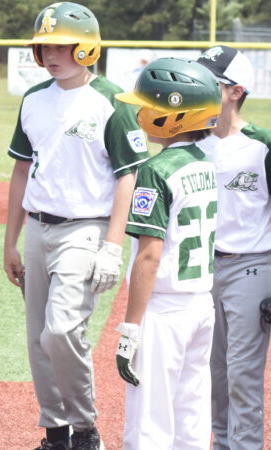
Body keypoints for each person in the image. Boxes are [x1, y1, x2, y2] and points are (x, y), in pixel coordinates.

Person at [2, 3, 150, 449]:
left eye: (64, 45)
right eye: (45, 45)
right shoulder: (33, 99)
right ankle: (55, 432)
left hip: (86, 229)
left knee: (62, 329)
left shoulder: (114, 101)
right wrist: (10, 240)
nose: (52, 54)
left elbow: (129, 174)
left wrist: (112, 245)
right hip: (38, 231)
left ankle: (85, 429)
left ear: (87, 48)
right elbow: (20, 171)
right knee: (37, 340)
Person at [113, 57, 222, 449]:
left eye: (152, 105)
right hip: (200, 305)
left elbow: (148, 256)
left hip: (164, 309)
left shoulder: (156, 170)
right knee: (190, 418)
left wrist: (130, 326)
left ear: (175, 114)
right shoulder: (204, 164)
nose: (143, 111)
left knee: (148, 424)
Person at [194, 46, 271, 450]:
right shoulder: (191, 144)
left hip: (252, 268)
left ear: (235, 91)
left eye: (213, 81)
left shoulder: (261, 145)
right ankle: (221, 443)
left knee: (242, 373)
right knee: (213, 370)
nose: (201, 86)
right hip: (203, 270)